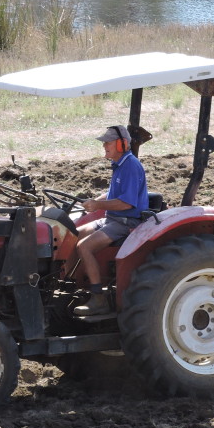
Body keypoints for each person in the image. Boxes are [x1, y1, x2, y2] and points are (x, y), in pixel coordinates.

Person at [73, 125, 148, 316]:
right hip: (112, 219)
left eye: (108, 142)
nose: (104, 145)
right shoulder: (120, 164)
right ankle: (75, 286)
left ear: (122, 144)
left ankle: (98, 299)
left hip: (126, 222)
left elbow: (126, 203)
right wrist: (95, 201)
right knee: (73, 233)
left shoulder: (130, 166)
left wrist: (97, 207)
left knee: (84, 246)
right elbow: (114, 193)